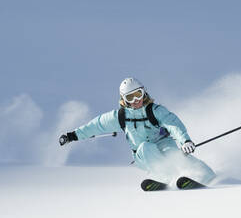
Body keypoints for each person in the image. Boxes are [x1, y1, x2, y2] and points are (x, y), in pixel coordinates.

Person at [59, 77, 215, 185]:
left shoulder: (155, 111)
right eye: (130, 97)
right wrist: (72, 136)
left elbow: (173, 124)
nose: (136, 100)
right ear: (124, 99)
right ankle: (163, 176)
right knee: (146, 148)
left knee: (176, 156)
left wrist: (185, 141)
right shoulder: (120, 116)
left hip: (164, 144)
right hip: (143, 155)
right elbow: (95, 126)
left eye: (138, 94)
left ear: (144, 92)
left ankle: (208, 177)